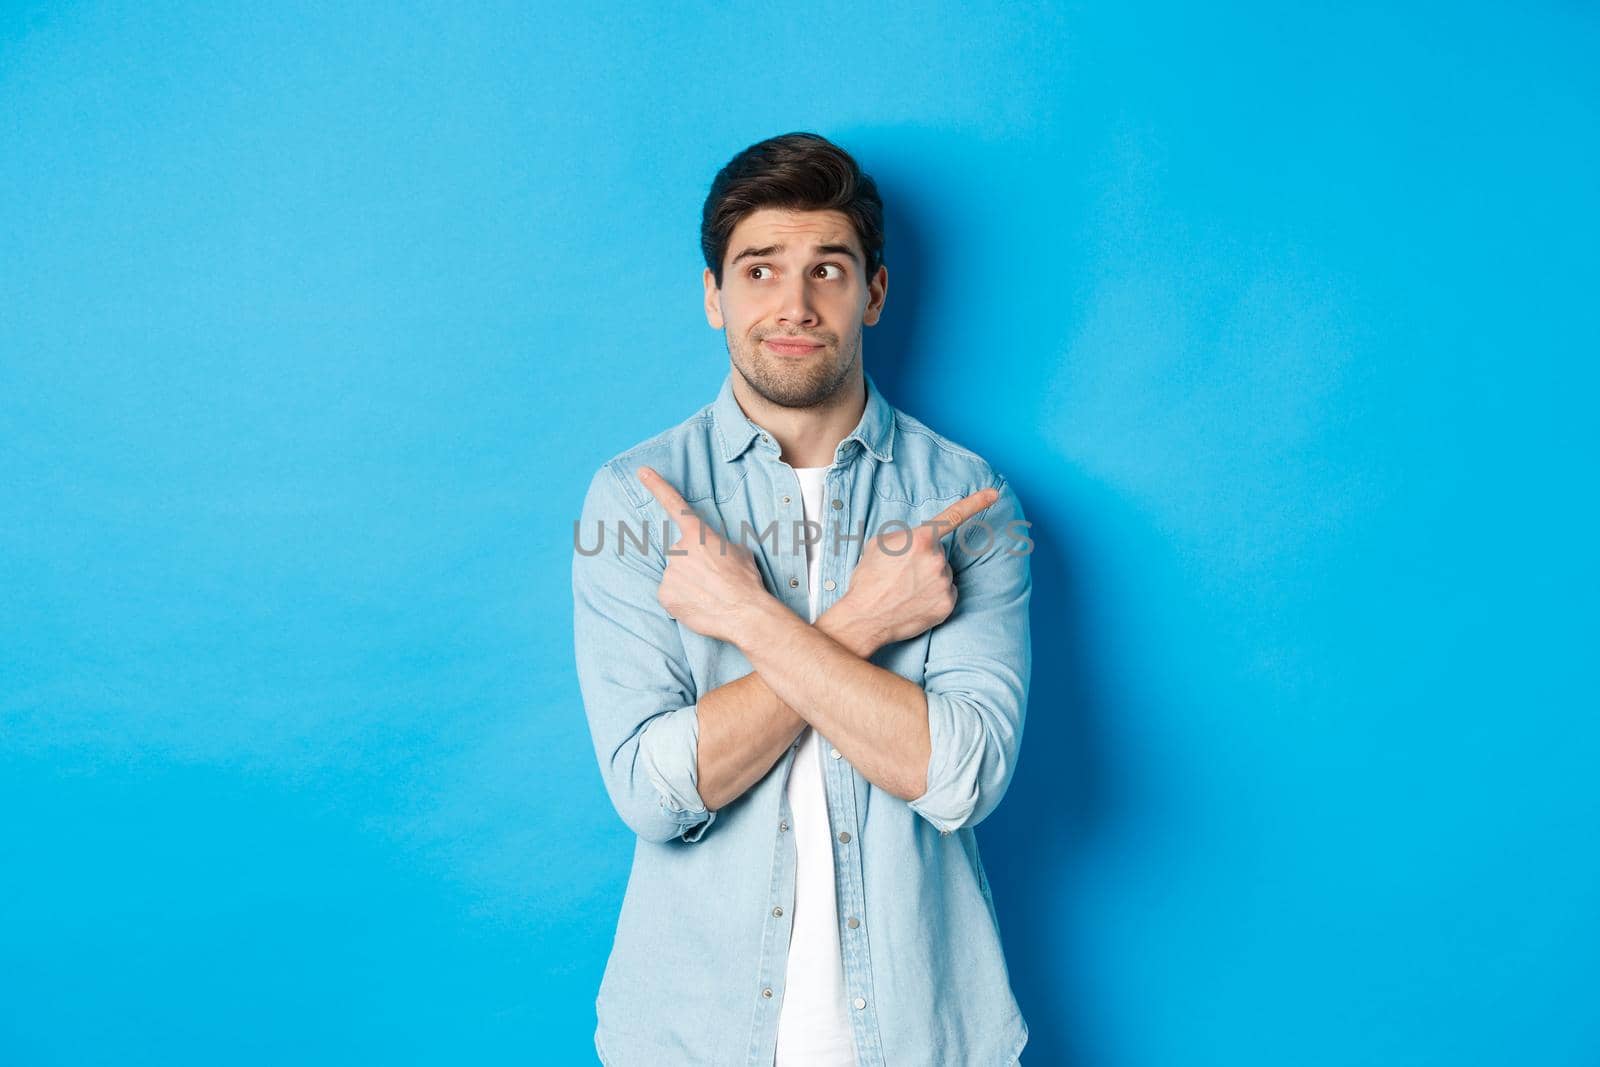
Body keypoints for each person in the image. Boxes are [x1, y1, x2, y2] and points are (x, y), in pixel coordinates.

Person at [571, 131, 1033, 1067]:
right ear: (714, 296)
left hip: (925, 1040)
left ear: (874, 292)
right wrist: (864, 622)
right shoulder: (634, 500)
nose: (793, 303)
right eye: (759, 270)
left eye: (827, 268)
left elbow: (967, 774)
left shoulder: (967, 503)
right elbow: (655, 789)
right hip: (688, 1040)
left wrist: (745, 616)